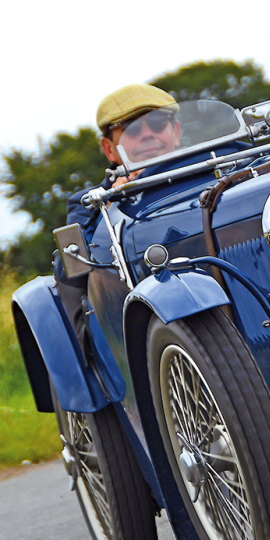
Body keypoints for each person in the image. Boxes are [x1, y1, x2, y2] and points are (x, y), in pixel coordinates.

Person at [57, 84, 179, 348]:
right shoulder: (89, 203)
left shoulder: (219, 174)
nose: (147, 134)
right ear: (109, 148)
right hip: (138, 324)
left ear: (176, 131)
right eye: (133, 128)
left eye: (157, 123)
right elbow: (70, 269)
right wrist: (111, 204)